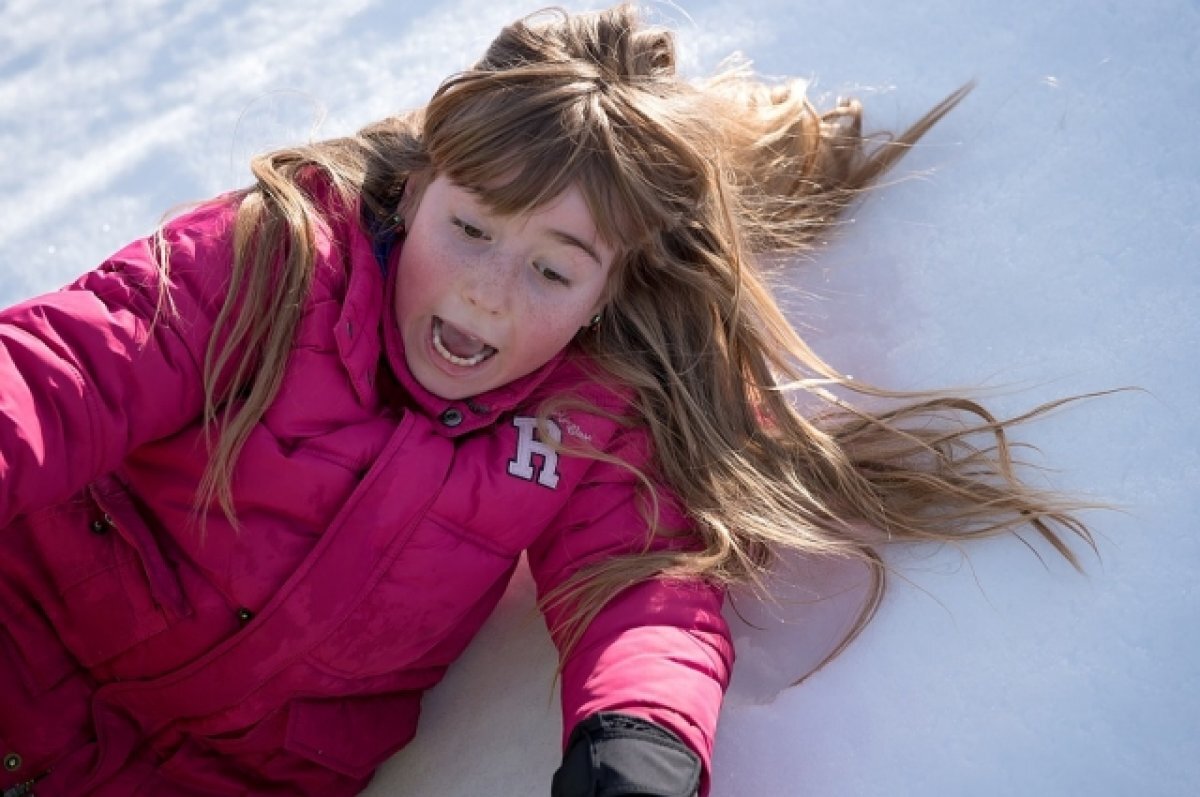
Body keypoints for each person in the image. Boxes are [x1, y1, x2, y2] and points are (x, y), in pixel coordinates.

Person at [0, 4, 1095, 796]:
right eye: (469, 228)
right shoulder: (273, 260)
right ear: (416, 183)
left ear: (613, 287)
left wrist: (642, 745)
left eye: (554, 268)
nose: (487, 286)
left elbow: (646, 589)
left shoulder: (593, 416)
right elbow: (55, 374)